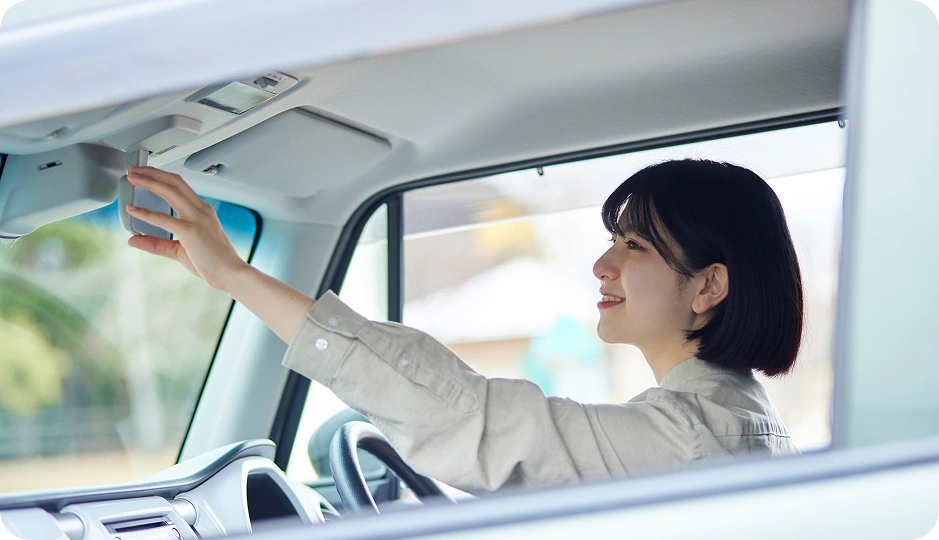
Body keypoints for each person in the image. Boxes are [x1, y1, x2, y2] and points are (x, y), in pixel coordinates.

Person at [124, 159, 802, 493]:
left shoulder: (689, 440)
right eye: (611, 242)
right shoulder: (725, 421)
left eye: (633, 246)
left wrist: (235, 277)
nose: (601, 265)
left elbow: (468, 417)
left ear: (708, 285)